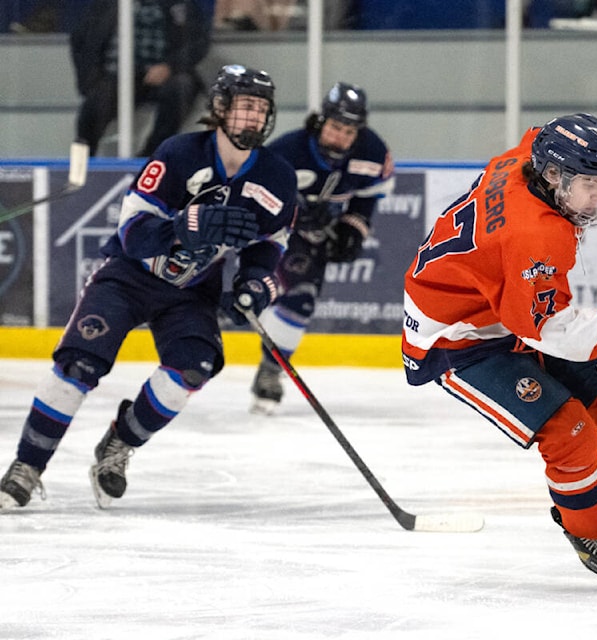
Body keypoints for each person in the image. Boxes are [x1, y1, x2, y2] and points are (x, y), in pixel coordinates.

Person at [401, 113, 597, 587]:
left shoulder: (535, 154)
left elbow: (547, 129)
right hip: (458, 335)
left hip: (508, 306)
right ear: (552, 176)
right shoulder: (535, 235)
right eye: (591, 187)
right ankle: (590, 535)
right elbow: (545, 327)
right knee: (571, 432)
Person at [0, 64, 299, 510]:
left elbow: (269, 245)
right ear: (220, 108)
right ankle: (27, 466)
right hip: (128, 276)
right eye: (244, 107)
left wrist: (255, 283)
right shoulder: (178, 154)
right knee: (79, 366)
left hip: (191, 289)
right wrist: (187, 225)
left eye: (261, 108)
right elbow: (131, 232)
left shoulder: (277, 177)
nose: (253, 118)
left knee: (193, 368)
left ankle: (117, 447)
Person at [249, 82, 394, 414]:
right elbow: (255, 196)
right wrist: (295, 211)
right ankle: (268, 365)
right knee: (283, 287)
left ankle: (270, 372)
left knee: (301, 301)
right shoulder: (287, 150)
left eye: (348, 130)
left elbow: (370, 194)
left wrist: (353, 227)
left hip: (317, 235)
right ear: (320, 121)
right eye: (335, 127)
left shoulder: (371, 151)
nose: (340, 136)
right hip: (278, 231)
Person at [70, 0, 211, 157]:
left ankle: (152, 156)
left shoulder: (180, 4)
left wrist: (170, 66)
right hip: (116, 76)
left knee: (182, 87)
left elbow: (198, 42)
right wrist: (90, 80)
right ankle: (81, 165)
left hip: (164, 74)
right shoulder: (106, 4)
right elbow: (81, 40)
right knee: (95, 103)